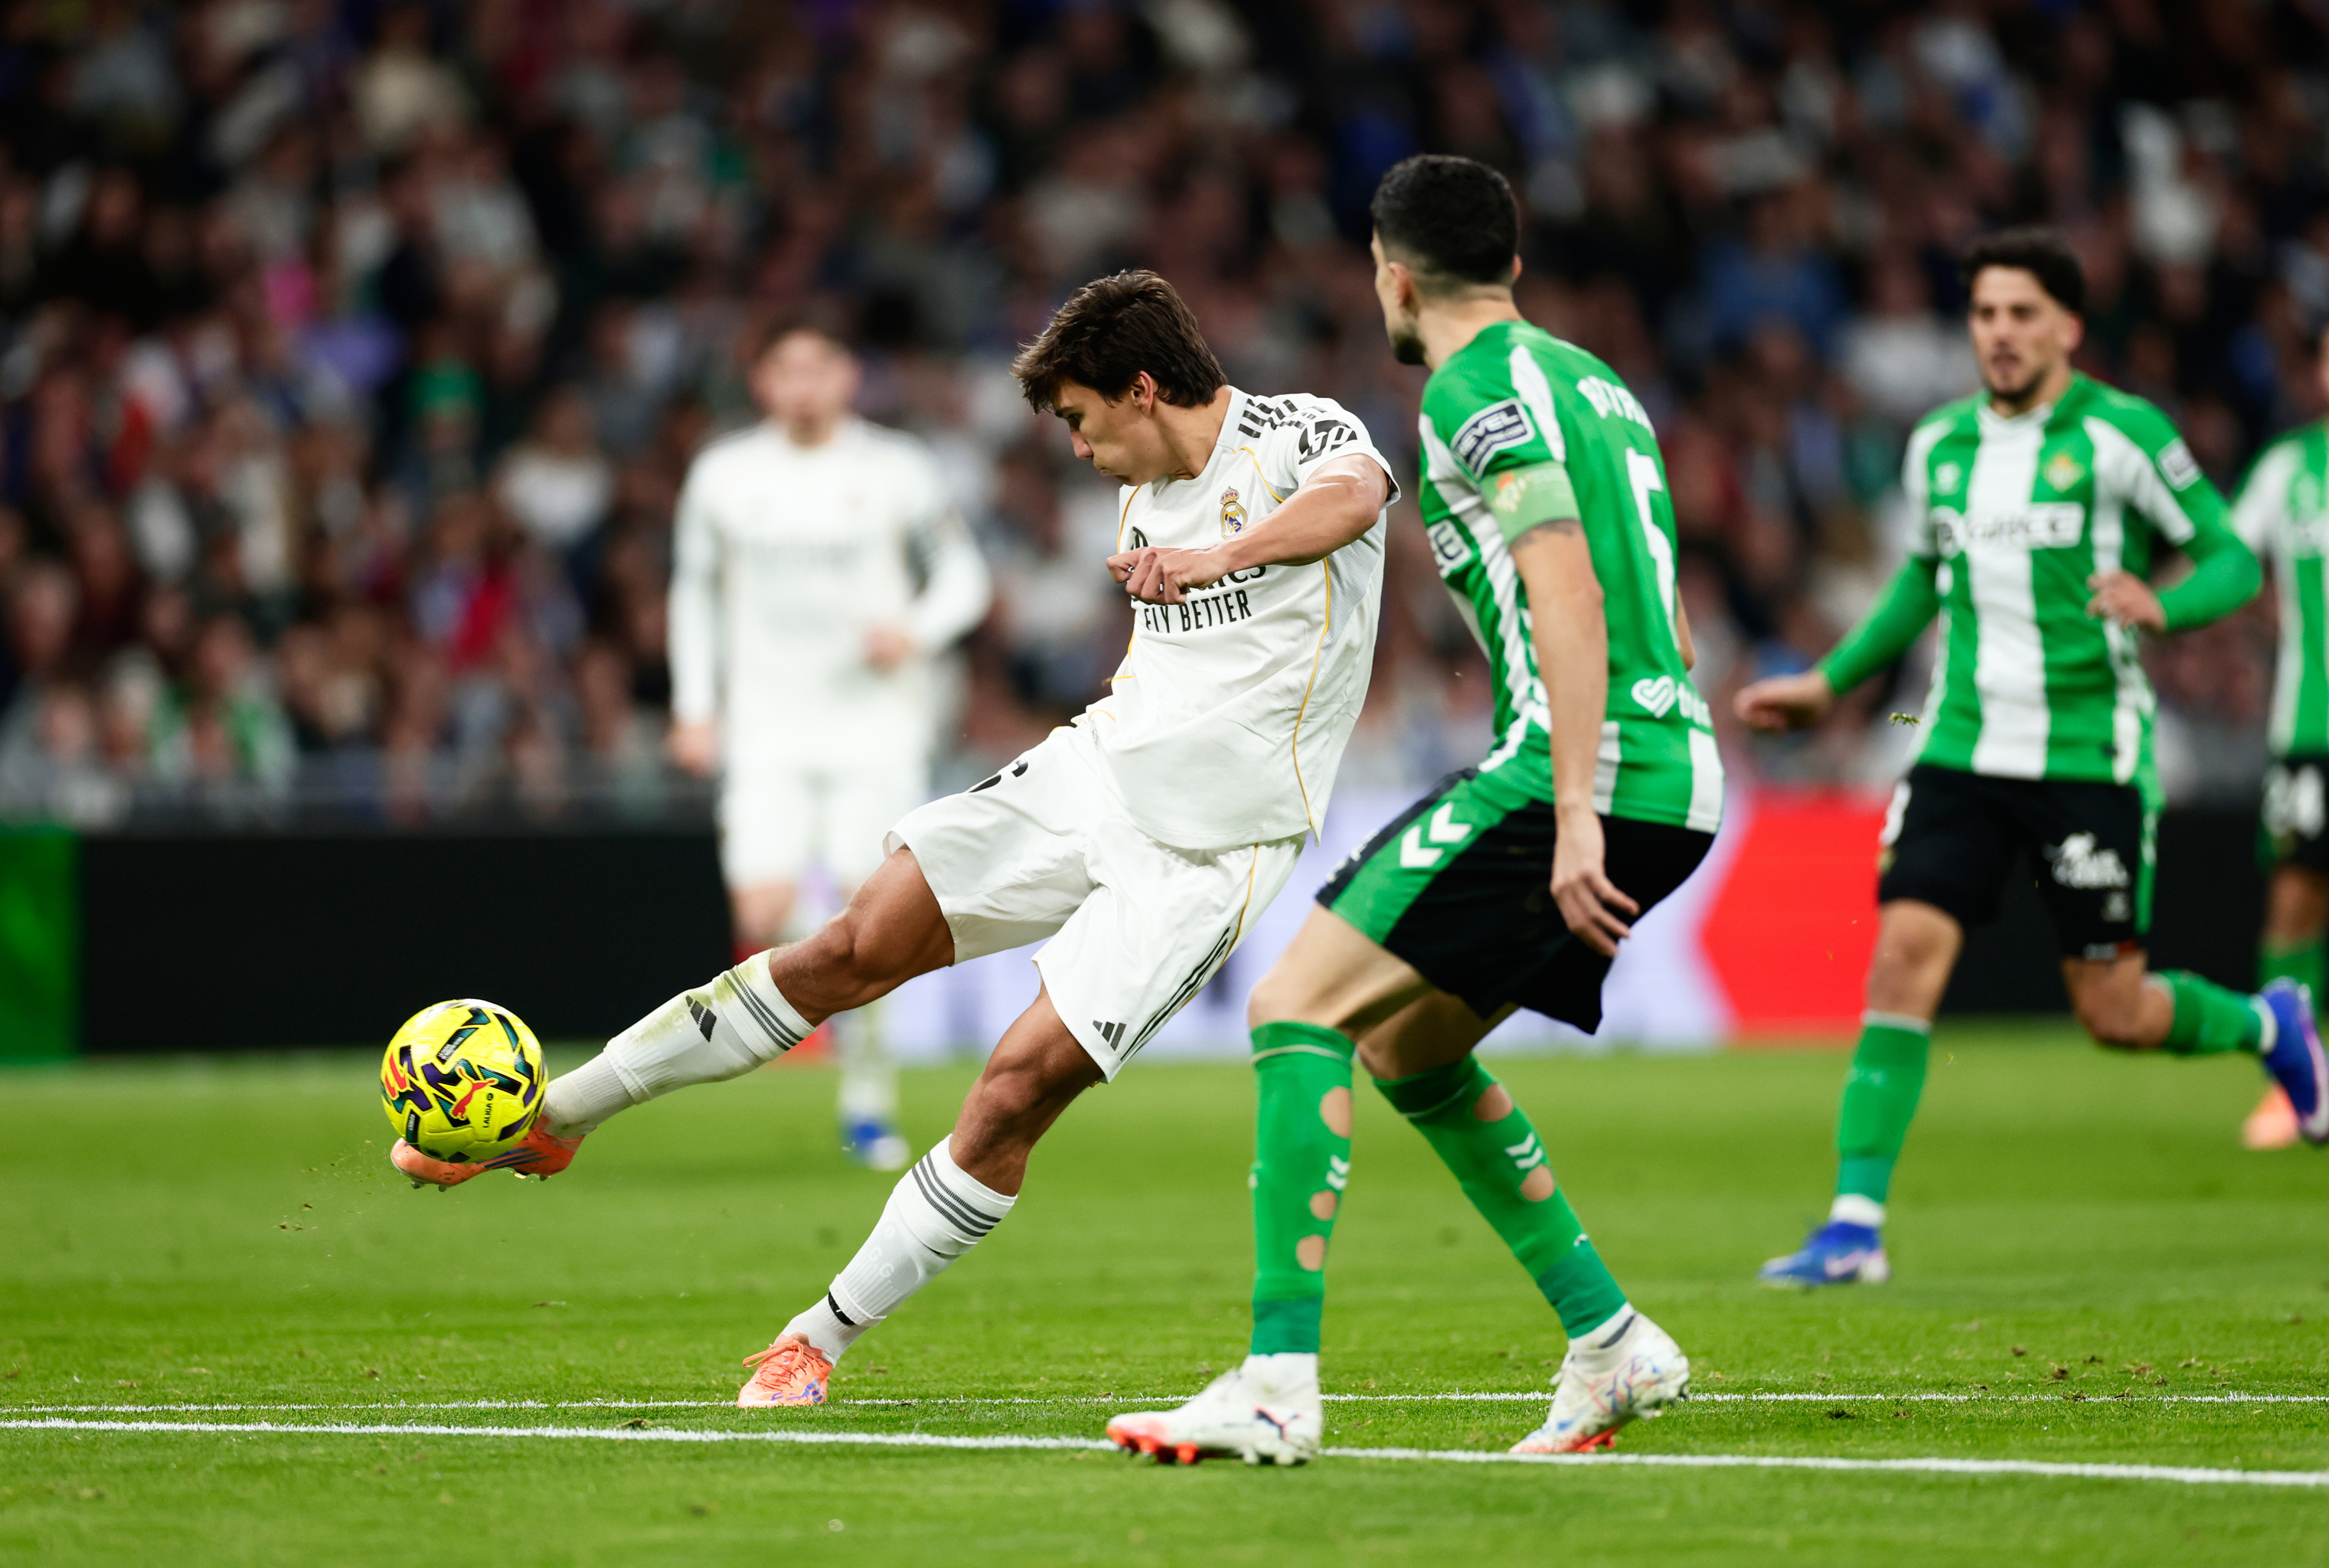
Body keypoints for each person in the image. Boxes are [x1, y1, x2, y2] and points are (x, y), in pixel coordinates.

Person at [385, 270, 1400, 1415]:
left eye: (1078, 418)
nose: (1074, 448)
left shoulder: (1300, 433)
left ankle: (814, 1338)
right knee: (846, 946)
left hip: (1213, 848)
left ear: (1143, 388)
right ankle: (554, 1120)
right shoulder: (1136, 494)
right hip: (1093, 773)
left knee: (1013, 1091)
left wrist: (1218, 559)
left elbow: (1356, 500)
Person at [1106, 155, 1722, 1465]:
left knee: (1294, 1006)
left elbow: (1566, 586)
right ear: (1510, 258)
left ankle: (1276, 1379)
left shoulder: (1471, 389)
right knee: (1411, 1047)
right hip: (1677, 764)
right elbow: (1652, 595)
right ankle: (1609, 1340)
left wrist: (1568, 807)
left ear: (1389, 270)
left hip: (1587, 765)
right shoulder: (1593, 382)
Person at [1733, 227, 2329, 1289]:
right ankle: (1853, 1224)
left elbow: (2235, 559)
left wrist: (2165, 601)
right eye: (1984, 315)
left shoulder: (2122, 435)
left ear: (2066, 325)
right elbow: (1920, 582)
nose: (2000, 334)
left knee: (2116, 1013)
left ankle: (2266, 1021)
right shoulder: (1939, 448)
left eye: (2021, 315)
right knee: (1899, 963)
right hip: (1961, 751)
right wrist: (1831, 684)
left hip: (2086, 759)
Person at [665, 320, 991, 1171]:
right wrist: (696, 706)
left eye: (820, 366)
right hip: (767, 724)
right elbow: (693, 594)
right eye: (786, 368)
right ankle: (842, 1036)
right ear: (763, 380)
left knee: (872, 919)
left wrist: (912, 630)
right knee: (761, 913)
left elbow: (965, 577)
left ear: (847, 376)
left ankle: (867, 1102)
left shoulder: (895, 469)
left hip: (875, 727)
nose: (804, 384)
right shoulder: (726, 474)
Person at [2234, 319, 2329, 1151]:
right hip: (2311, 726)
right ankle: (2291, 1083)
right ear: (2317, 370)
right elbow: (2230, 562)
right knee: (2295, 904)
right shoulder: (2287, 469)